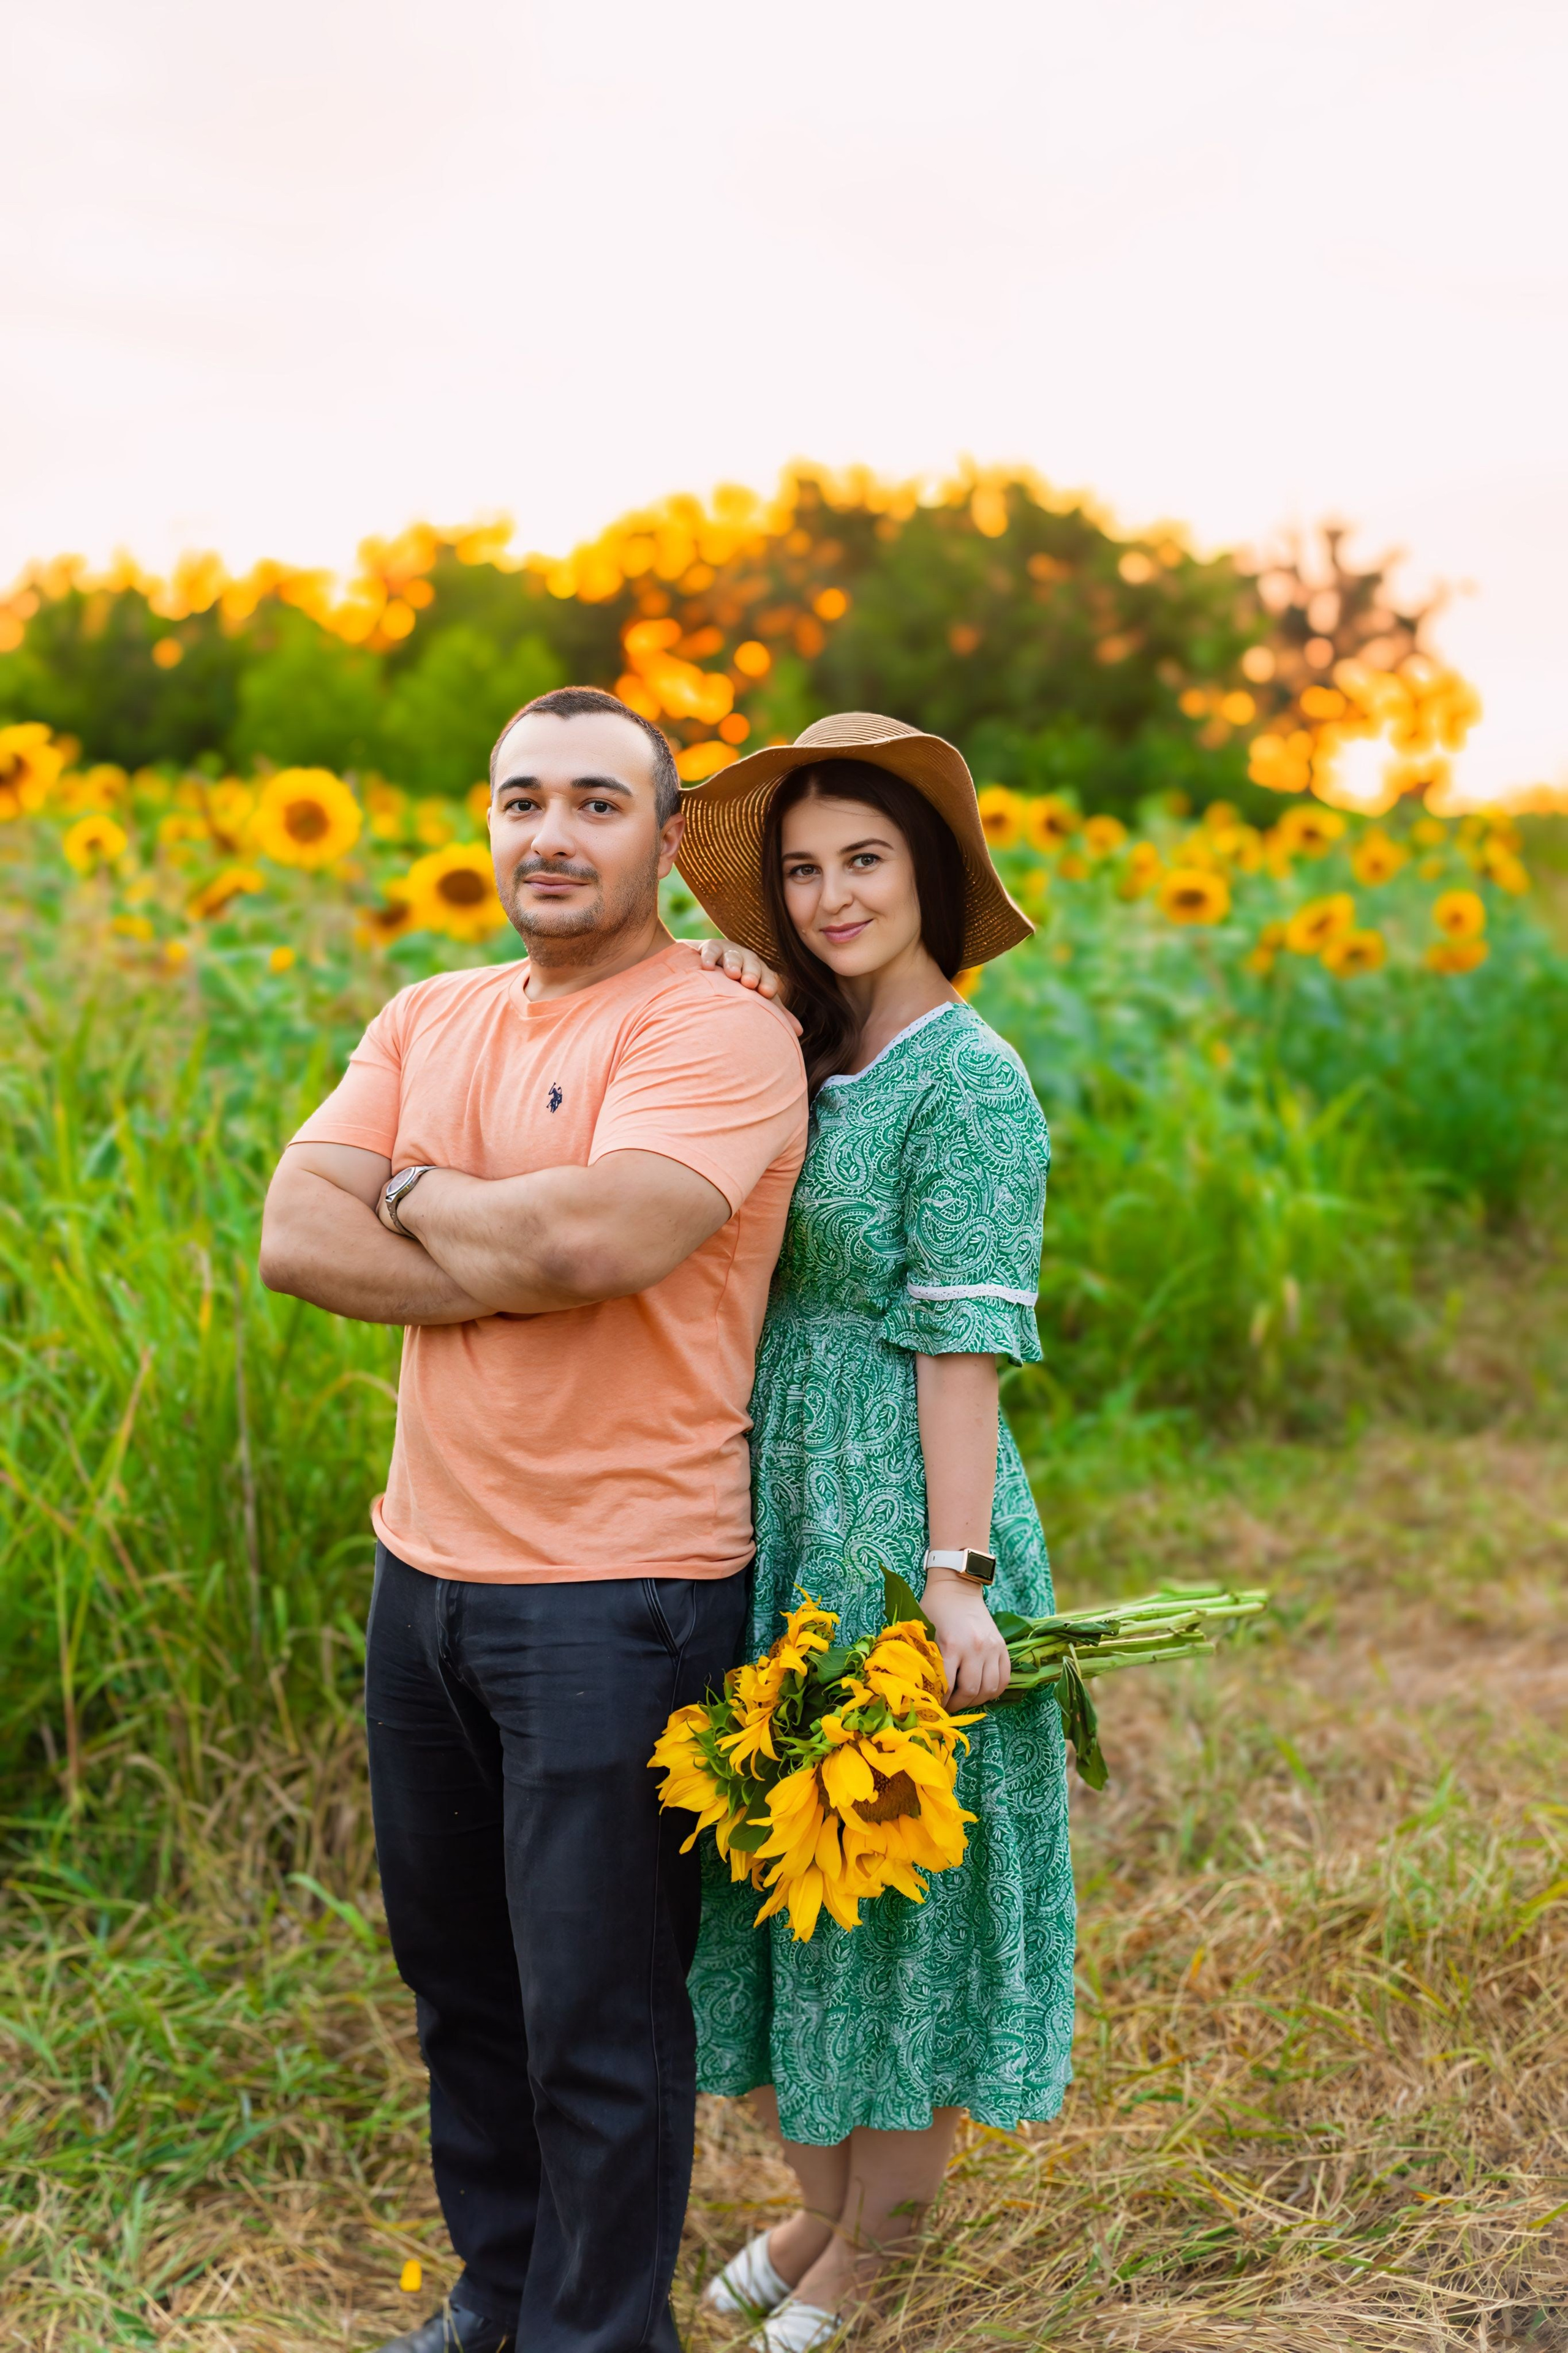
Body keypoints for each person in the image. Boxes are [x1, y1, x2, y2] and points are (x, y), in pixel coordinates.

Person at [258, 686, 809, 2353]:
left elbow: (606, 1242)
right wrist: (502, 1254)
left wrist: (414, 1201)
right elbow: (294, 1229)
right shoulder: (429, 1011)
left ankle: (595, 2337)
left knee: (596, 2013)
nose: (549, 835)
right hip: (422, 1573)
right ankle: (501, 2301)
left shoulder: (713, 1029)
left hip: (621, 1588)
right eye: (520, 801)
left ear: (664, 833)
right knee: (467, 1996)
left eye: (593, 802)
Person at [673, 713, 1076, 2353]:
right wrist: (729, 989)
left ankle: (886, 2244)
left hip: (906, 1498)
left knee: (894, 1871)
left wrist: (954, 1578)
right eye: (801, 870)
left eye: (865, 861)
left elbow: (960, 1341)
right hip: (781, 1499)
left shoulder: (970, 1080)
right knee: (783, 1849)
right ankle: (826, 2202)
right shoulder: (802, 1045)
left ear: (932, 876)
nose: (832, 894)